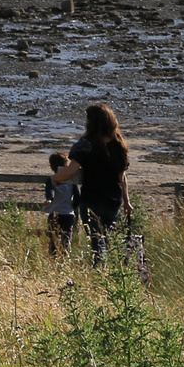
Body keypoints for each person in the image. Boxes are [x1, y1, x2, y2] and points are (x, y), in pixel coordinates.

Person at [50, 102, 132, 265]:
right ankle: (110, 271)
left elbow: (72, 169)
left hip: (92, 199)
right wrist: (127, 201)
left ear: (91, 121)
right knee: (109, 240)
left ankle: (100, 272)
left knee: (96, 241)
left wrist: (55, 178)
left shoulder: (86, 143)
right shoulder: (118, 144)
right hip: (113, 200)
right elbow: (122, 176)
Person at [43, 152, 77, 256]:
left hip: (54, 212)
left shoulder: (51, 179)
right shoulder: (71, 181)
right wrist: (74, 206)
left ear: (51, 166)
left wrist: (49, 199)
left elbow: (50, 191)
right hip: (68, 213)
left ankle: (53, 257)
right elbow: (78, 195)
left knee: (54, 237)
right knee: (66, 237)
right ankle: (64, 256)